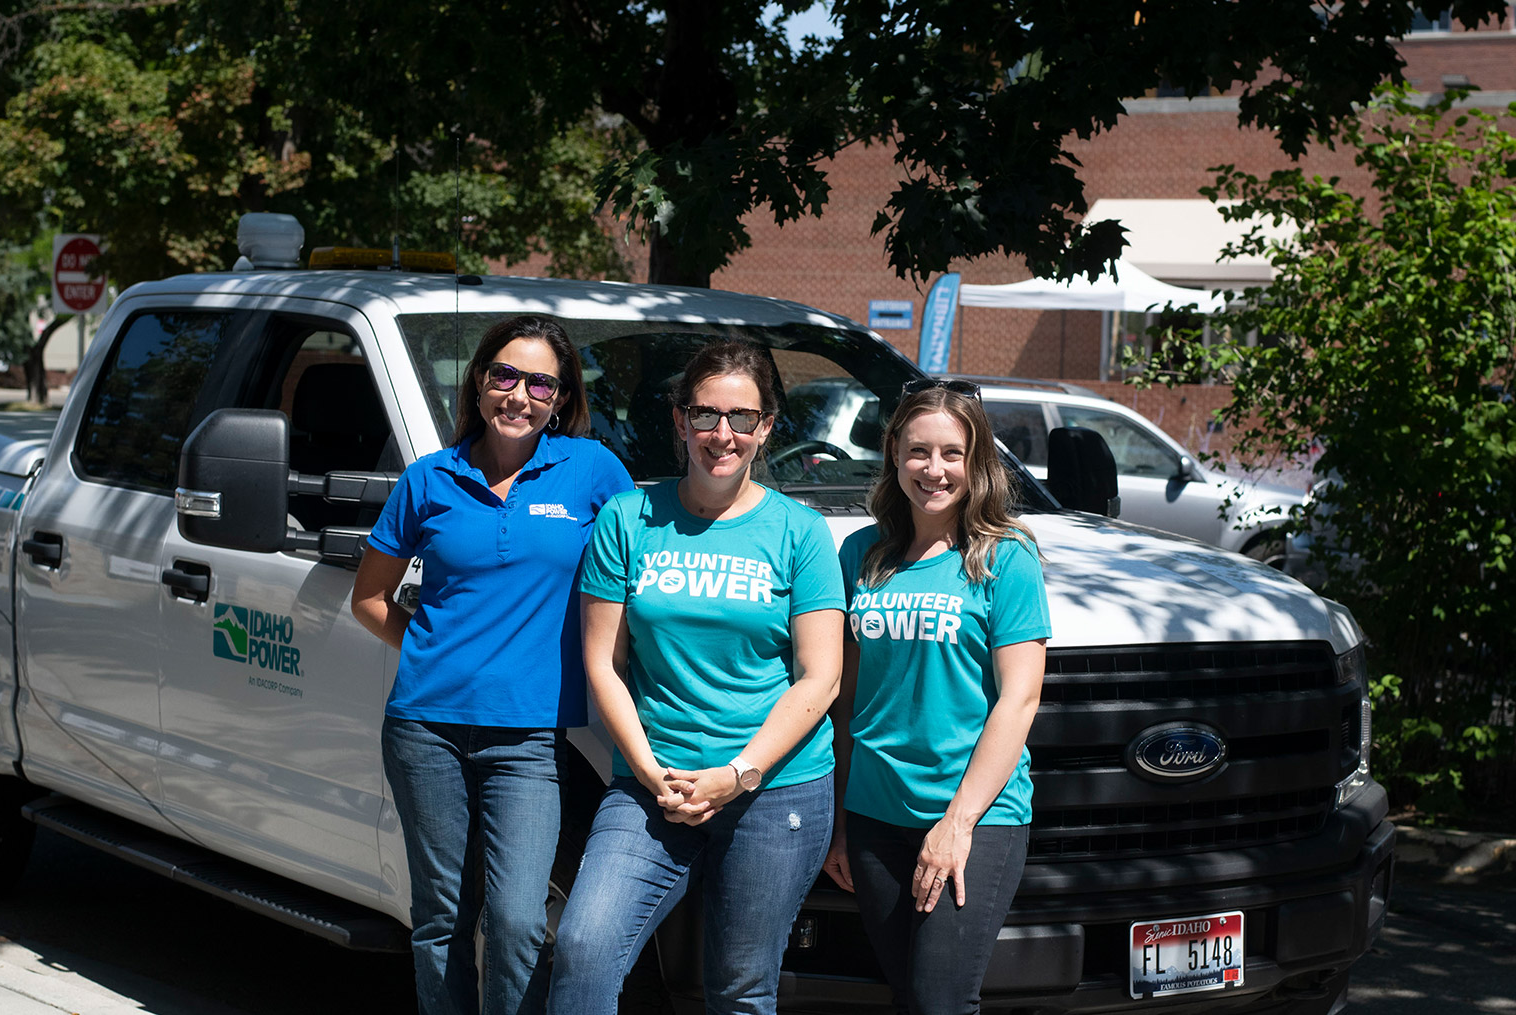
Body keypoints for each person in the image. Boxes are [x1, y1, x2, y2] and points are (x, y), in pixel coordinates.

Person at [550, 340, 845, 1015]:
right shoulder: (629, 518)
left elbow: (820, 677)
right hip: (654, 785)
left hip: (774, 791)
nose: (723, 434)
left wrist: (738, 772)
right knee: (584, 947)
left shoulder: (800, 532)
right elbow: (604, 663)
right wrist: (653, 775)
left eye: (742, 417)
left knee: (741, 990)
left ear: (767, 427)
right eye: (706, 414)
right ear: (679, 420)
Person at [350, 315, 633, 1015]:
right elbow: (369, 598)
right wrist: (433, 651)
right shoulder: (430, 480)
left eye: (541, 382)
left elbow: (641, 568)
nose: (520, 394)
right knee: (443, 917)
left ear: (561, 398)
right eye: (504, 375)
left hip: (528, 738)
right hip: (425, 730)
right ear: (479, 382)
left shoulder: (591, 470)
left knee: (516, 919)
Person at [819, 380, 1050, 1015]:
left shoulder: (1006, 558)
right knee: (910, 997)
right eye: (919, 451)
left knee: (941, 1001)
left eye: (953, 453)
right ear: (893, 453)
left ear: (977, 463)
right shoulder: (861, 554)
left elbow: (1019, 701)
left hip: (975, 815)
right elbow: (846, 696)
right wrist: (840, 816)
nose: (934, 469)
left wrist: (957, 823)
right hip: (874, 814)